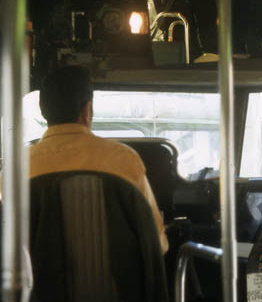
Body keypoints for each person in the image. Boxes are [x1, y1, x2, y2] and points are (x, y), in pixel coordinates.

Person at [30, 65, 169, 254]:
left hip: (38, 283)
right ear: (87, 111)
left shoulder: (16, 168)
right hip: (114, 283)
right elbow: (157, 244)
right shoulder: (125, 159)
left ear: (43, 111)